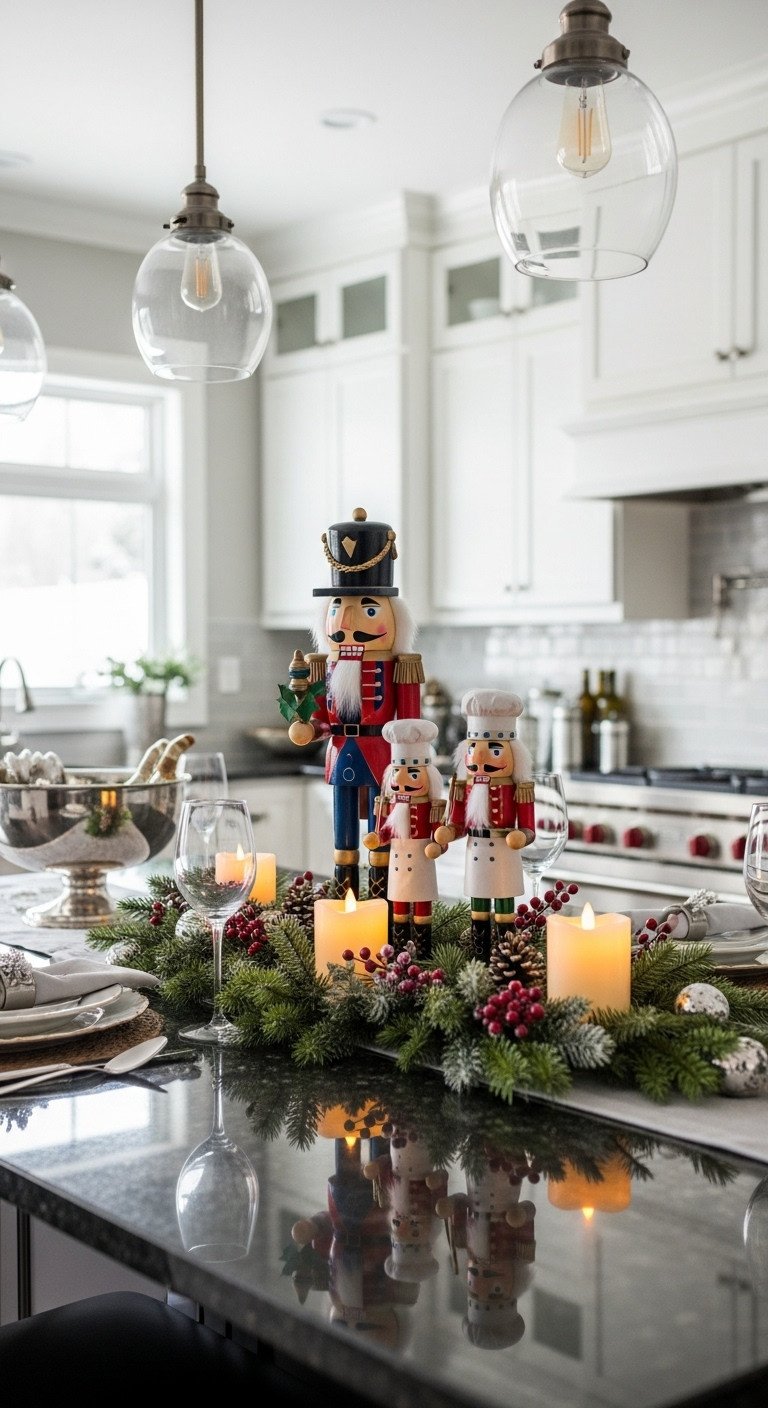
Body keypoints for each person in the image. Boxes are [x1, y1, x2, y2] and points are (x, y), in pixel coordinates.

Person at [281, 508, 425, 899]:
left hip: (384, 754)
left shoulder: (401, 665)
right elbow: (317, 717)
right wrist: (308, 726)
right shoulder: (322, 666)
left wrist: (413, 760)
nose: (347, 618)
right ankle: (345, 896)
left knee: (381, 831)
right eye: (337, 607)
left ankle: (381, 897)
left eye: (368, 607)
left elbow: (412, 723)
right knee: (342, 830)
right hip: (342, 750)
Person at [435, 689, 535, 963]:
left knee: (504, 906)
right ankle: (479, 956)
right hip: (475, 851)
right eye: (473, 749)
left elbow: (529, 827)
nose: (481, 758)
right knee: (478, 908)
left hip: (504, 852)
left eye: (493, 750)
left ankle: (507, 956)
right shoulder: (462, 787)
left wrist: (521, 836)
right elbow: (455, 821)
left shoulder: (519, 788)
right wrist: (448, 833)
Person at [362, 718, 447, 954]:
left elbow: (441, 836)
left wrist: (438, 847)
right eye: (396, 773)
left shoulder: (432, 806)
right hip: (398, 864)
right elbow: (385, 832)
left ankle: (422, 952)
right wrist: (377, 838)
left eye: (411, 774)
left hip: (422, 862)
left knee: (422, 910)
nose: (400, 781)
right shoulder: (390, 805)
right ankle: (399, 952)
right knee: (398, 908)